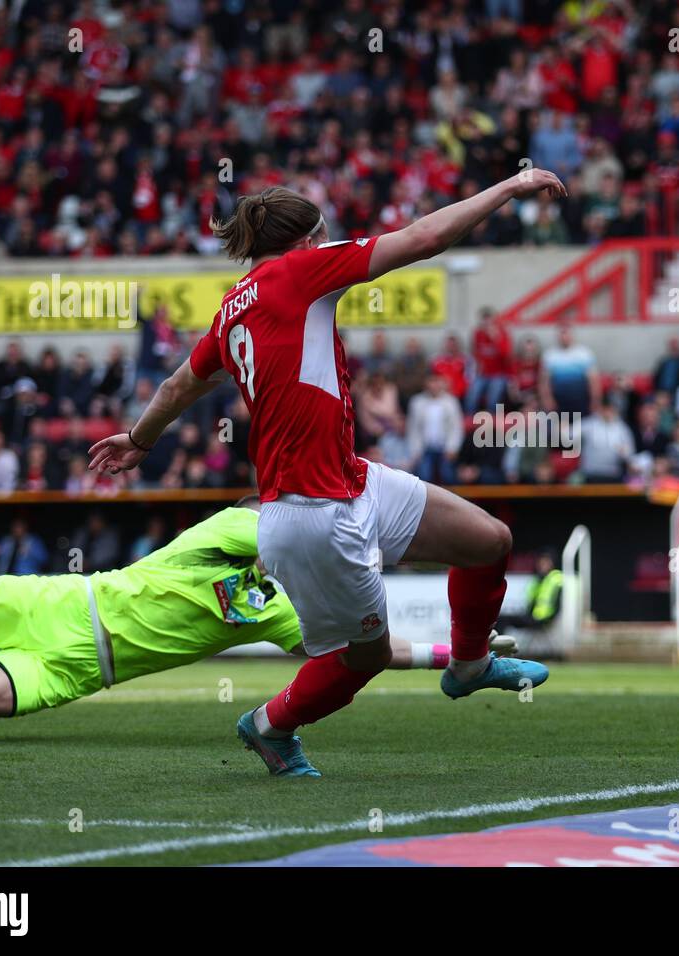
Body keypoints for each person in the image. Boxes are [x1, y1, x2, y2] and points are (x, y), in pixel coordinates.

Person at [88, 177, 565, 777]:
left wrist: (138, 441)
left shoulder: (232, 309)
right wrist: (511, 187)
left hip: (351, 479)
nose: (331, 241)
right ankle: (269, 725)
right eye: (324, 232)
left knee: (487, 541)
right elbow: (423, 238)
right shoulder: (302, 272)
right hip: (310, 514)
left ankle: (468, 665)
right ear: (307, 239)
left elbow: (177, 385)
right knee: (363, 657)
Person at [0, 501, 519, 720]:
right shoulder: (229, 534)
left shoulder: (275, 613)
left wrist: (461, 654)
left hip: (78, 672)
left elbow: (369, 657)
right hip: (58, 603)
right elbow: (281, 532)